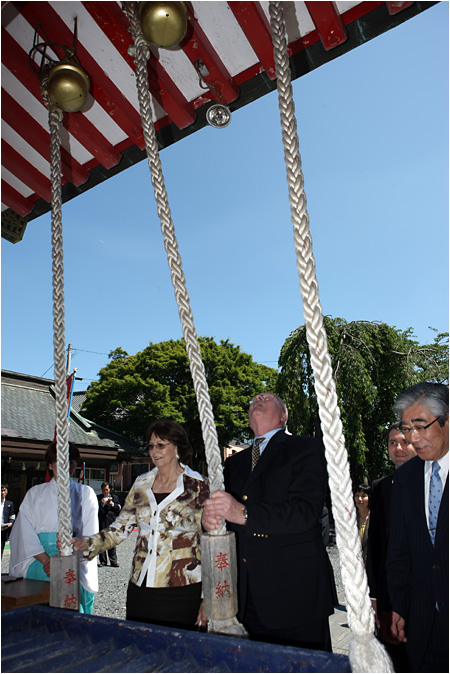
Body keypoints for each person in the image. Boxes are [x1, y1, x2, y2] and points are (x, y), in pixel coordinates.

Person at [202, 392, 336, 651]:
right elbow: (227, 515)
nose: (258, 398)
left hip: (295, 594)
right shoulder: (234, 463)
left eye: (268, 398)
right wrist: (209, 520)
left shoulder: (306, 447)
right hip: (245, 596)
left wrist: (244, 513)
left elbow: (306, 511)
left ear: (283, 416)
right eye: (253, 399)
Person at [69, 420, 209, 630]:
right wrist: (86, 544)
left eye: (161, 445)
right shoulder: (141, 483)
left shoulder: (199, 486)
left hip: (183, 588)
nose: (154, 451)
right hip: (141, 586)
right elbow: (120, 528)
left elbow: (212, 542)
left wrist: (209, 598)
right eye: (151, 446)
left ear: (178, 447)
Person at [387, 382, 448, 673]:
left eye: (421, 426)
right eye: (407, 428)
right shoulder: (406, 477)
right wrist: (399, 604)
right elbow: (399, 549)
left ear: (446, 421)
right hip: (423, 624)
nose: (413, 438)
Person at [9, 441, 98, 613]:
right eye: (59, 461)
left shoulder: (86, 494)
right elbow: (23, 533)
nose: (65, 467)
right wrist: (47, 561)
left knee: (68, 613)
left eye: (70, 462)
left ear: (75, 466)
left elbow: (90, 535)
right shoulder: (35, 493)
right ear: (50, 465)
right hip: (38, 560)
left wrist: (63, 558)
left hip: (72, 558)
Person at [366, 423, 416, 672]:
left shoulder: (439, 483)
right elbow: (374, 545)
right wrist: (373, 596)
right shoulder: (381, 488)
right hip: (390, 594)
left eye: (404, 441)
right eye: (392, 443)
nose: (398, 448)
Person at [97, 482, 121, 567]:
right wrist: (102, 503)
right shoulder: (98, 498)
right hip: (102, 522)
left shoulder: (114, 497)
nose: (105, 492)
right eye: (103, 490)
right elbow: (96, 510)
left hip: (111, 522)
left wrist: (112, 504)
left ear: (109, 489)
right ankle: (103, 561)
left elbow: (118, 508)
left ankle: (113, 560)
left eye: (106, 490)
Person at [353, 484, 371, 564]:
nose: (359, 499)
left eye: (363, 496)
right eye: (357, 495)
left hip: (372, 564)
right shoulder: (351, 519)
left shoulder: (376, 518)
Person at [1, 483, 15, 557]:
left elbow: (12, 516)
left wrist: (10, 523)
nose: (2, 493)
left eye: (4, 490)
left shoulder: (9, 504)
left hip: (3, 530)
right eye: (1, 491)